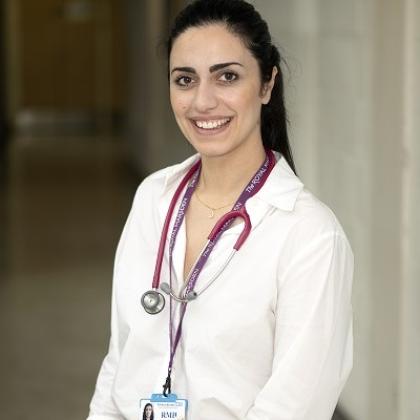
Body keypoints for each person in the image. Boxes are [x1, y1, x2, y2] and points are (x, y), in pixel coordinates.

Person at [87, 1, 354, 419]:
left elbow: (294, 406)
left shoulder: (309, 235)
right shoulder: (153, 199)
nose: (202, 102)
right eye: (184, 80)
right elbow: (120, 360)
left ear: (267, 85)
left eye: (227, 76)